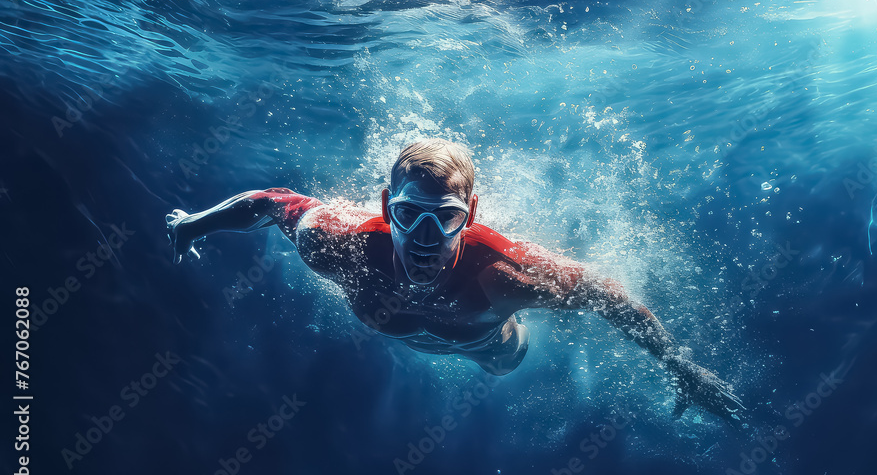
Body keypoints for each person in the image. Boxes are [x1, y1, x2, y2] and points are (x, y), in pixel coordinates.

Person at [166, 138, 744, 423]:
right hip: (397, 324)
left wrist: (682, 368)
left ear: (471, 212)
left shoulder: (502, 275)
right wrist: (194, 225)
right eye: (408, 214)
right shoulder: (337, 242)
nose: (423, 237)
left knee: (504, 363)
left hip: (492, 349)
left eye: (443, 218)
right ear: (386, 204)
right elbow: (271, 202)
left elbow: (610, 297)